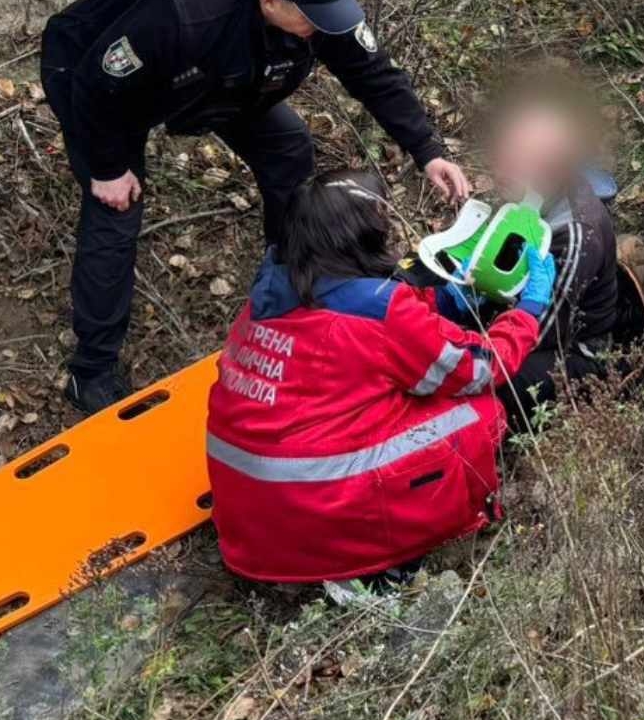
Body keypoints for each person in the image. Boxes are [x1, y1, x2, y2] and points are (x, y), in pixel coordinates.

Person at [41, 0, 473, 413]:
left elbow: (374, 74)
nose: (324, 26)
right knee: (116, 210)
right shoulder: (183, 11)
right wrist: (107, 168)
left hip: (219, 80)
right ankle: (92, 371)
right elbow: (97, 83)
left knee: (288, 148)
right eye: (313, 19)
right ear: (269, 0)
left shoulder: (315, 7)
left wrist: (428, 151)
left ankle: (292, 283)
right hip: (96, 81)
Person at [204, 168, 554, 586]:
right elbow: (478, 369)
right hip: (315, 507)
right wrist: (527, 313)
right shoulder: (380, 313)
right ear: (362, 233)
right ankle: (385, 562)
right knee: (478, 413)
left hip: (249, 521)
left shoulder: (271, 293)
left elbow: (364, 320)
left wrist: (441, 299)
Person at [481, 90, 644, 429]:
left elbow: (545, 330)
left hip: (575, 349)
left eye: (515, 158)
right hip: (524, 309)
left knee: (487, 381)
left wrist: (473, 340)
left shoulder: (573, 234)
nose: (499, 166)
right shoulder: (527, 195)